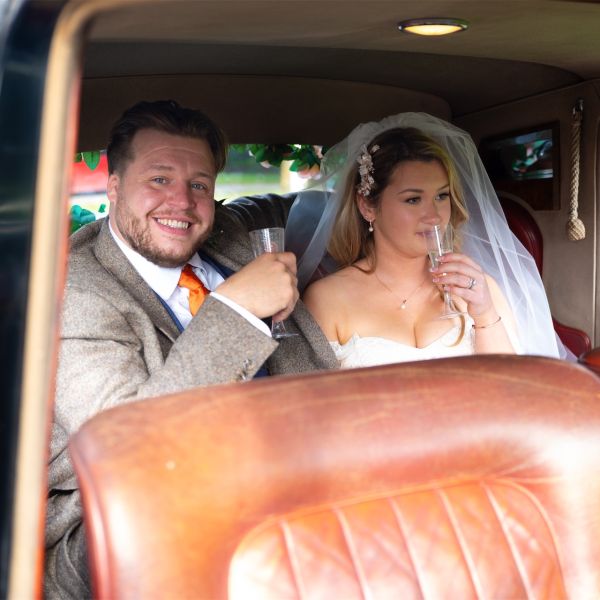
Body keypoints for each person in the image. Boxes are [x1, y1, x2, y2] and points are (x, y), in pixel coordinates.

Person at [45, 100, 337, 598]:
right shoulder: (74, 289)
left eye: (199, 185)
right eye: (159, 179)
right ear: (113, 188)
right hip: (130, 517)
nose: (181, 202)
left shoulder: (231, 239)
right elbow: (130, 449)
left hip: (290, 476)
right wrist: (238, 310)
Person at [293, 113, 570, 366]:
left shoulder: (479, 287)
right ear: (368, 207)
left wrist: (484, 313)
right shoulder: (327, 300)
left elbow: (512, 389)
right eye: (413, 199)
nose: (434, 216)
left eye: (441, 196)